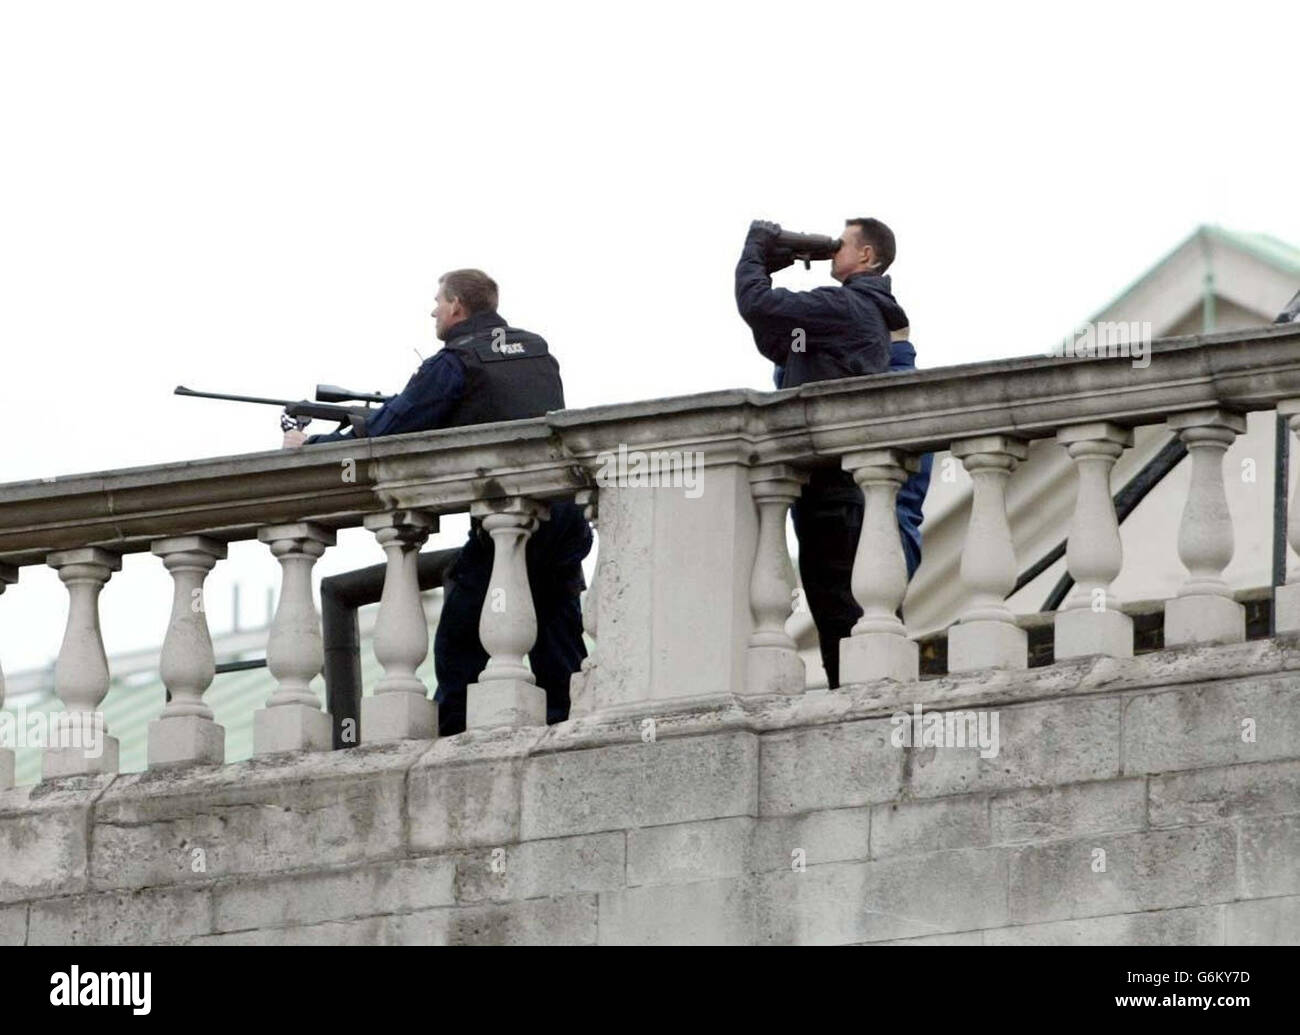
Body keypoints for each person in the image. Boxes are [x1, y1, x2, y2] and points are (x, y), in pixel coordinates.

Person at [283, 269, 591, 735]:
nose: (433, 310)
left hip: (509, 523)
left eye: (437, 301)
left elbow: (389, 430)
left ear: (457, 307)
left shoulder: (456, 361)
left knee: (461, 635)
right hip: (564, 519)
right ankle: (569, 731)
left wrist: (309, 448)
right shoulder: (537, 350)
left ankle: (454, 737)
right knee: (556, 634)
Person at [736, 218, 929, 687]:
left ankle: (865, 722)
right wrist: (776, 263)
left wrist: (756, 249)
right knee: (843, 627)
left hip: (835, 499)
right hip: (836, 497)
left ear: (866, 256)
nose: (831, 249)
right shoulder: (857, 314)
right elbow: (775, 336)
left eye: (840, 244)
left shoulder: (851, 306)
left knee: (847, 630)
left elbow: (756, 304)